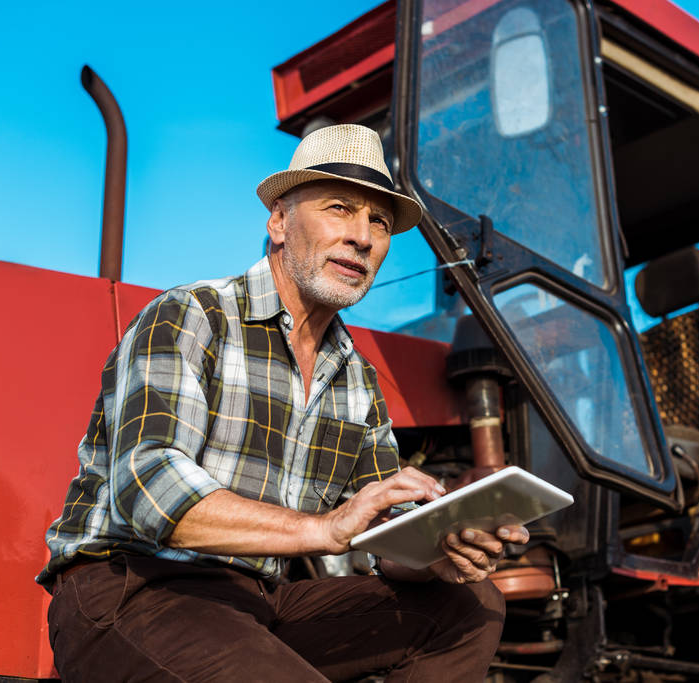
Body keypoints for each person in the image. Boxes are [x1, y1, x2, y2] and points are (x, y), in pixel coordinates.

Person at [38, 124, 528, 682]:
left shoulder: (357, 380)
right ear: (277, 220)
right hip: (132, 588)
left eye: (380, 223)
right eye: (340, 208)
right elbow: (151, 490)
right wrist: (324, 529)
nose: (362, 237)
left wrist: (435, 550)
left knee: (471, 606)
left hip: (254, 602)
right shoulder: (192, 315)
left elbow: (384, 536)